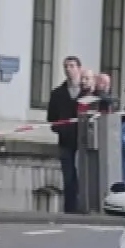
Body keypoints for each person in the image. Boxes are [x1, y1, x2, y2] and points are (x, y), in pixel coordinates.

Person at [47, 56, 84, 214]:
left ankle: (83, 205)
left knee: (83, 174)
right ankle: (70, 209)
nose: (69, 69)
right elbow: (51, 119)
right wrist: (60, 128)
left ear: (79, 69)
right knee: (68, 175)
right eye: (66, 66)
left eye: (72, 66)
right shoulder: (57, 94)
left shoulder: (86, 93)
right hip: (65, 141)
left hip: (83, 141)